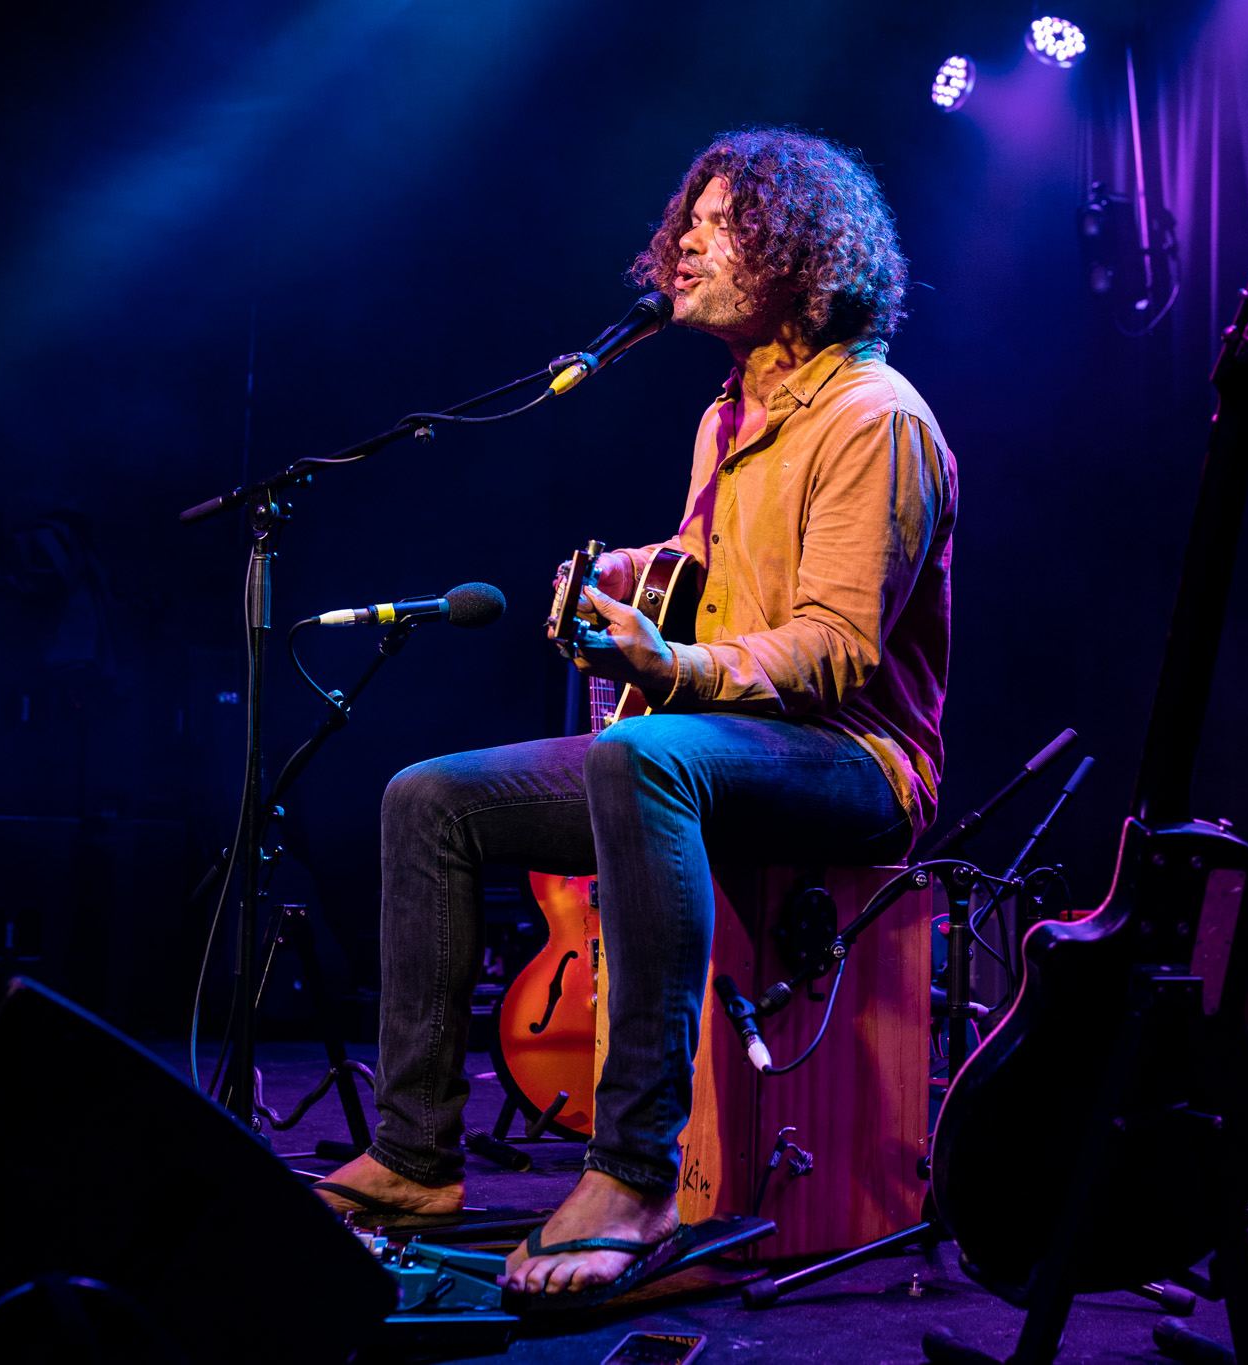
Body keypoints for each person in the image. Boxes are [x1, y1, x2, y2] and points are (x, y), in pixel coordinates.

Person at [315, 127, 957, 1308]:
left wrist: (668, 662)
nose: (687, 245)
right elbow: (719, 569)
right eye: (688, 223)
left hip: (856, 762)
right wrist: (633, 573)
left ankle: (632, 1175)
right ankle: (413, 1158)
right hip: (721, 746)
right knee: (429, 797)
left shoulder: (875, 418)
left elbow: (834, 647)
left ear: (801, 253)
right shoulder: (726, 418)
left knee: (643, 752)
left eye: (721, 223)